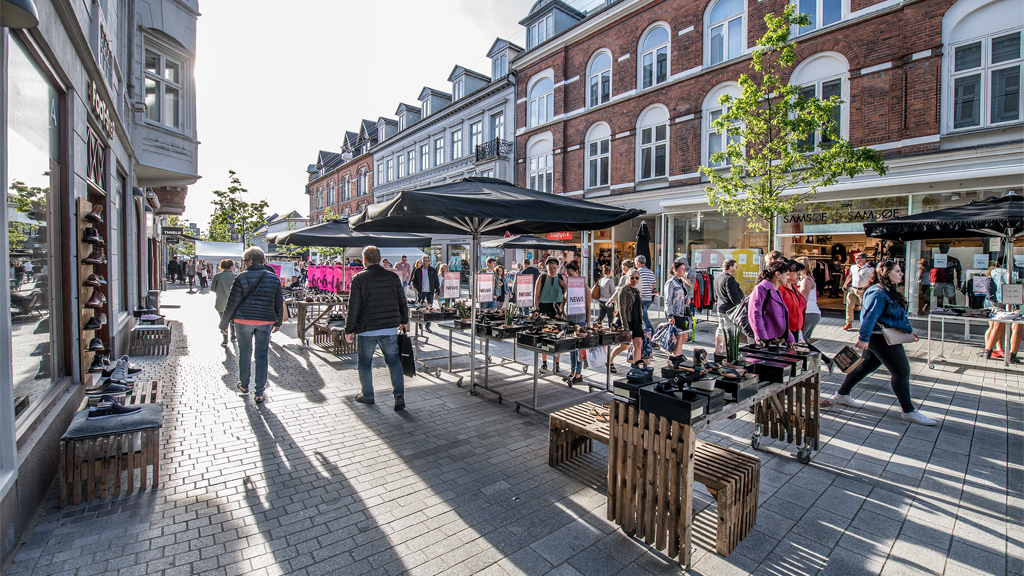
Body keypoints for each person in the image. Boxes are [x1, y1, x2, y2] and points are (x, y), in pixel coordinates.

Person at [831, 261, 937, 425]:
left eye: (901, 271)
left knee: (867, 366)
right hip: (879, 337)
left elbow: (896, 316)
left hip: (882, 336)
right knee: (902, 371)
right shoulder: (877, 292)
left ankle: (842, 394)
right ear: (885, 273)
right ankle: (908, 410)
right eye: (897, 271)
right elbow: (869, 317)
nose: (901, 274)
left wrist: (908, 330)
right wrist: (864, 338)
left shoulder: (889, 291)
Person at [345, 246, 409, 410]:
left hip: (367, 328)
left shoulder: (358, 278)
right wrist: (404, 320)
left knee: (365, 363)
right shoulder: (392, 277)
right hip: (389, 327)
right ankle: (399, 395)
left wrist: (349, 329)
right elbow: (402, 300)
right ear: (380, 259)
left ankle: (368, 395)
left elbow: (354, 306)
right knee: (393, 361)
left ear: (364, 260)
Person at [220, 247, 284, 403]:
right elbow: (278, 303)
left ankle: (244, 384)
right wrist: (278, 321)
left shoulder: (241, 278)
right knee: (262, 355)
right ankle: (259, 392)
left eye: (245, 261)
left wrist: (224, 323)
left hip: (243, 321)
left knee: (245, 352)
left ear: (249, 261)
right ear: (262, 260)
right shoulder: (273, 278)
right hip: (265, 321)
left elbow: (232, 302)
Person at [748, 261, 794, 345]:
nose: (788, 277)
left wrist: (790, 338)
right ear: (778, 274)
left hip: (778, 339)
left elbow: (782, 318)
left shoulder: (776, 291)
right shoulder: (761, 289)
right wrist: (762, 339)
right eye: (786, 274)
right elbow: (755, 315)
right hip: (768, 339)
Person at [562, 261, 592, 385]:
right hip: (567, 320)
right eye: (566, 275)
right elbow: (564, 300)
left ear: (577, 273)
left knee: (579, 349)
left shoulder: (584, 287)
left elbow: (589, 307)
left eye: (570, 274)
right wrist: (561, 309)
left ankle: (578, 373)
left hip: (579, 321)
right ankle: (573, 371)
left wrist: (588, 324)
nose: (568, 277)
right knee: (571, 348)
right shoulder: (568, 286)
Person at [534, 257, 566, 373]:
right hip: (544, 308)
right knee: (544, 336)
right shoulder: (541, 278)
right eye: (550, 268)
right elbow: (536, 295)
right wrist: (536, 309)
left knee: (558, 336)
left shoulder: (562, 278)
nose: (552, 270)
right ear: (546, 268)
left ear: (558, 268)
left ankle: (557, 363)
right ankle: (544, 362)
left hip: (558, 309)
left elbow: (566, 295)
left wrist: (564, 285)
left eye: (554, 268)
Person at [980, 256, 1010, 360]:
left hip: (994, 302)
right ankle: (989, 348)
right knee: (995, 327)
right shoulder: (1002, 272)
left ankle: (996, 348)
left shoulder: (994, 272)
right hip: (996, 303)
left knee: (997, 327)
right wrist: (993, 301)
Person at [615, 269, 647, 368]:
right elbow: (622, 309)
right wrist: (625, 326)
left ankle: (635, 367)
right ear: (627, 278)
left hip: (636, 321)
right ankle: (610, 360)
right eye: (632, 277)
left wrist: (641, 323)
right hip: (627, 321)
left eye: (637, 278)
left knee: (638, 344)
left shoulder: (636, 291)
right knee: (623, 346)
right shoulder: (623, 290)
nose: (634, 280)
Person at [663, 260, 691, 365]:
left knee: (683, 336)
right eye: (682, 269)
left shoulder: (681, 282)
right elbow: (668, 300)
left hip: (681, 312)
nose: (684, 271)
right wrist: (670, 315)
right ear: (675, 271)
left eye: (684, 269)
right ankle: (676, 355)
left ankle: (673, 354)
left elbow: (681, 295)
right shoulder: (670, 283)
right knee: (680, 335)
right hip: (674, 313)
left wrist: (686, 299)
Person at [714, 259, 744, 354]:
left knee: (720, 328)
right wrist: (740, 305)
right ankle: (725, 351)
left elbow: (715, 294)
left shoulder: (718, 277)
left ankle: (717, 349)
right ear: (730, 267)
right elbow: (733, 295)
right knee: (729, 330)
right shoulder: (729, 278)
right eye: (735, 266)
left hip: (720, 307)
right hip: (729, 309)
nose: (736, 269)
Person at [842, 252, 872, 330]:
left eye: (858, 258)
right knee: (849, 306)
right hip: (853, 288)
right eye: (856, 258)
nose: (856, 260)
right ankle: (848, 323)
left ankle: (864, 323)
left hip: (862, 289)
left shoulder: (869, 269)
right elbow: (850, 275)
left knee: (863, 307)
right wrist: (845, 284)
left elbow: (872, 279)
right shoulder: (853, 267)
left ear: (864, 259)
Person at [210, 259, 237, 347]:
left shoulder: (217, 276)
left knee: (223, 320)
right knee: (232, 320)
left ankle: (225, 340)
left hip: (221, 301)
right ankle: (233, 336)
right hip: (233, 302)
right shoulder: (235, 276)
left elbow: (213, 288)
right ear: (232, 266)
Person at [411, 255, 440, 332]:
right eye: (424, 261)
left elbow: (436, 281)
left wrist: (437, 291)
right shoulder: (417, 270)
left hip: (430, 292)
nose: (425, 262)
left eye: (427, 261)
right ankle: (420, 324)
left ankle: (428, 326)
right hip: (421, 292)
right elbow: (413, 281)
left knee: (429, 309)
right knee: (420, 308)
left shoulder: (432, 270)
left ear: (429, 261)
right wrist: (417, 289)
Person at [635, 255, 656, 333]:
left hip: (641, 298)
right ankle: (642, 334)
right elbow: (654, 286)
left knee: (645, 320)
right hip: (648, 298)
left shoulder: (638, 273)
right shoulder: (651, 272)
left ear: (638, 263)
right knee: (642, 318)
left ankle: (653, 335)